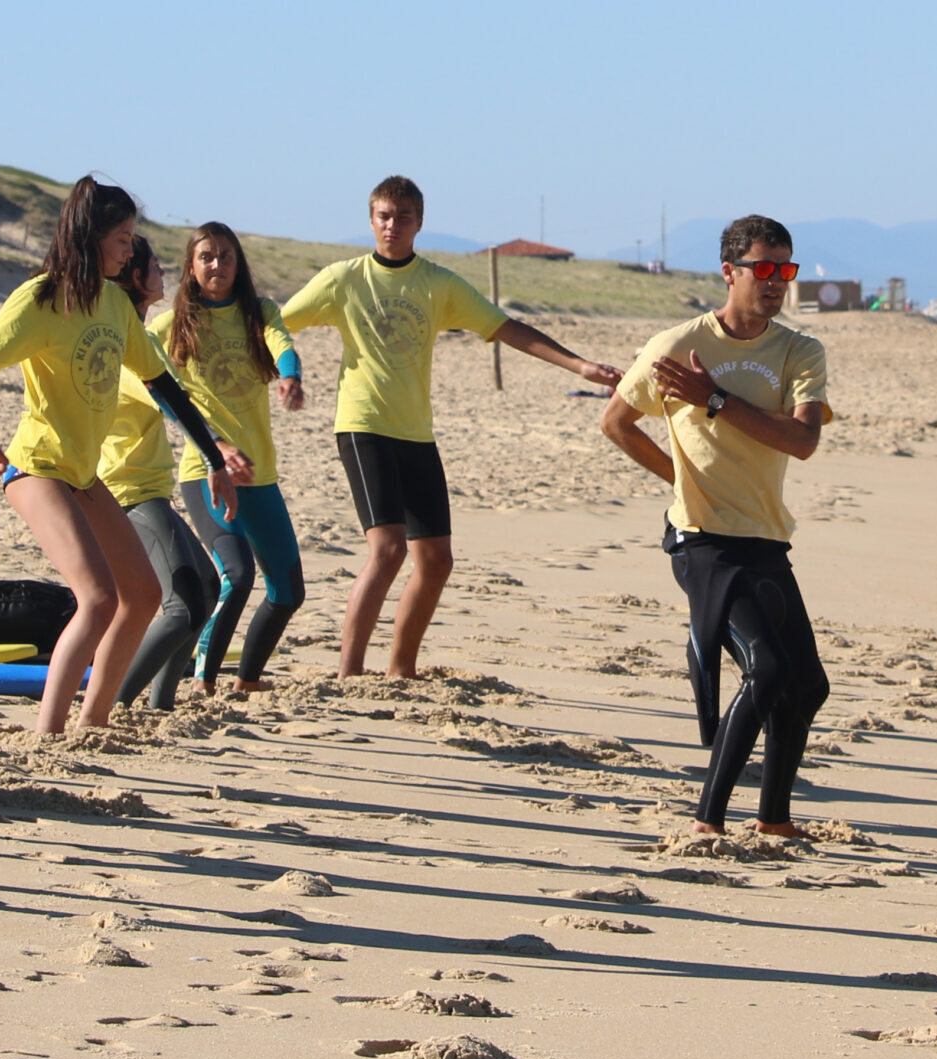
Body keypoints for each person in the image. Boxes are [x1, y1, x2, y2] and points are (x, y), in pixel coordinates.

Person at [0, 177, 237, 732]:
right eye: (121, 238)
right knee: (96, 598)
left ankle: (94, 723)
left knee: (139, 598)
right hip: (36, 468)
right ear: (90, 236)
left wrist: (213, 460)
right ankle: (49, 732)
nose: (128, 249)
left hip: (86, 476)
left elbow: (165, 387)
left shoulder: (116, 304)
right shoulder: (40, 299)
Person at [280, 176, 618, 679]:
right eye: (384, 217)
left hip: (416, 433)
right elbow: (276, 323)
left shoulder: (439, 284)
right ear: (371, 220)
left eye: (403, 217)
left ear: (420, 222)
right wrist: (287, 373)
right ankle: (349, 672)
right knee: (389, 549)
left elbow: (505, 327)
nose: (393, 226)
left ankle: (401, 669)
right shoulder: (343, 279)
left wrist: (580, 367)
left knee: (436, 560)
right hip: (362, 425)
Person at [598, 215, 831, 839]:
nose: (777, 282)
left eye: (787, 269)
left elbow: (802, 441)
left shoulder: (799, 350)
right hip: (702, 540)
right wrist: (678, 480)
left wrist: (717, 401)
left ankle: (774, 821)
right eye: (765, 269)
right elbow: (616, 423)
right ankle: (707, 820)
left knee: (807, 685)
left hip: (764, 536)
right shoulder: (676, 345)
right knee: (770, 670)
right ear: (729, 272)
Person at [93, 236, 239, 709]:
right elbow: (166, 399)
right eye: (156, 267)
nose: (164, 276)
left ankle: (160, 706)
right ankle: (115, 703)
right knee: (182, 605)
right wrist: (214, 447)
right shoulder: (124, 342)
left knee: (209, 587)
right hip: (127, 490)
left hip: (148, 488)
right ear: (136, 278)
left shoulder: (133, 334)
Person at [159, 223, 304, 694]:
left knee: (287, 591)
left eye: (225, 256)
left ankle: (247, 679)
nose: (217, 265)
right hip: (205, 473)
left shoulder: (257, 312)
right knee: (236, 576)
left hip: (258, 474)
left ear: (238, 264)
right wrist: (212, 443)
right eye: (207, 257)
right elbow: (146, 380)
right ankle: (202, 680)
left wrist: (290, 375)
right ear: (191, 266)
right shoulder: (172, 323)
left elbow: (281, 341)